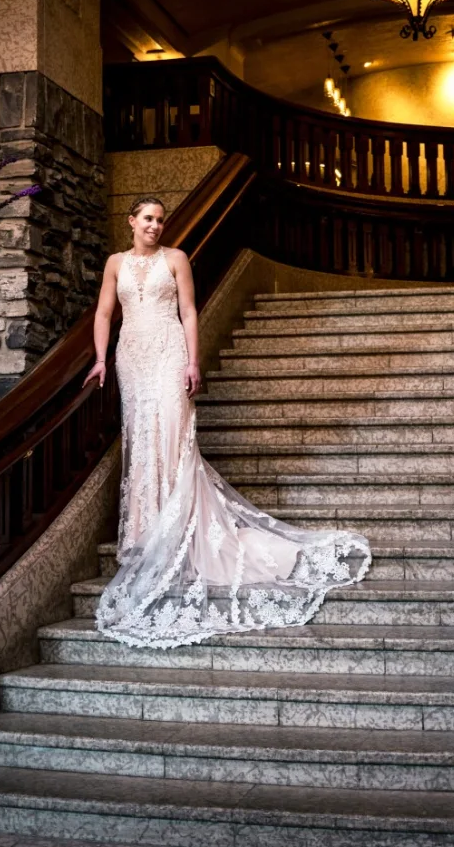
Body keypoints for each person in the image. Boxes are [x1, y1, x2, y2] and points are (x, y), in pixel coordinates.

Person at [86, 196, 371, 648]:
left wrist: (192, 362)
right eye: (148, 219)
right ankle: (146, 529)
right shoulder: (115, 262)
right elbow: (104, 313)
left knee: (174, 436)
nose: (155, 226)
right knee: (142, 439)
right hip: (131, 357)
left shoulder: (176, 258)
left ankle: (179, 527)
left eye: (160, 220)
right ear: (131, 222)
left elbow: (189, 312)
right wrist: (100, 359)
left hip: (168, 351)